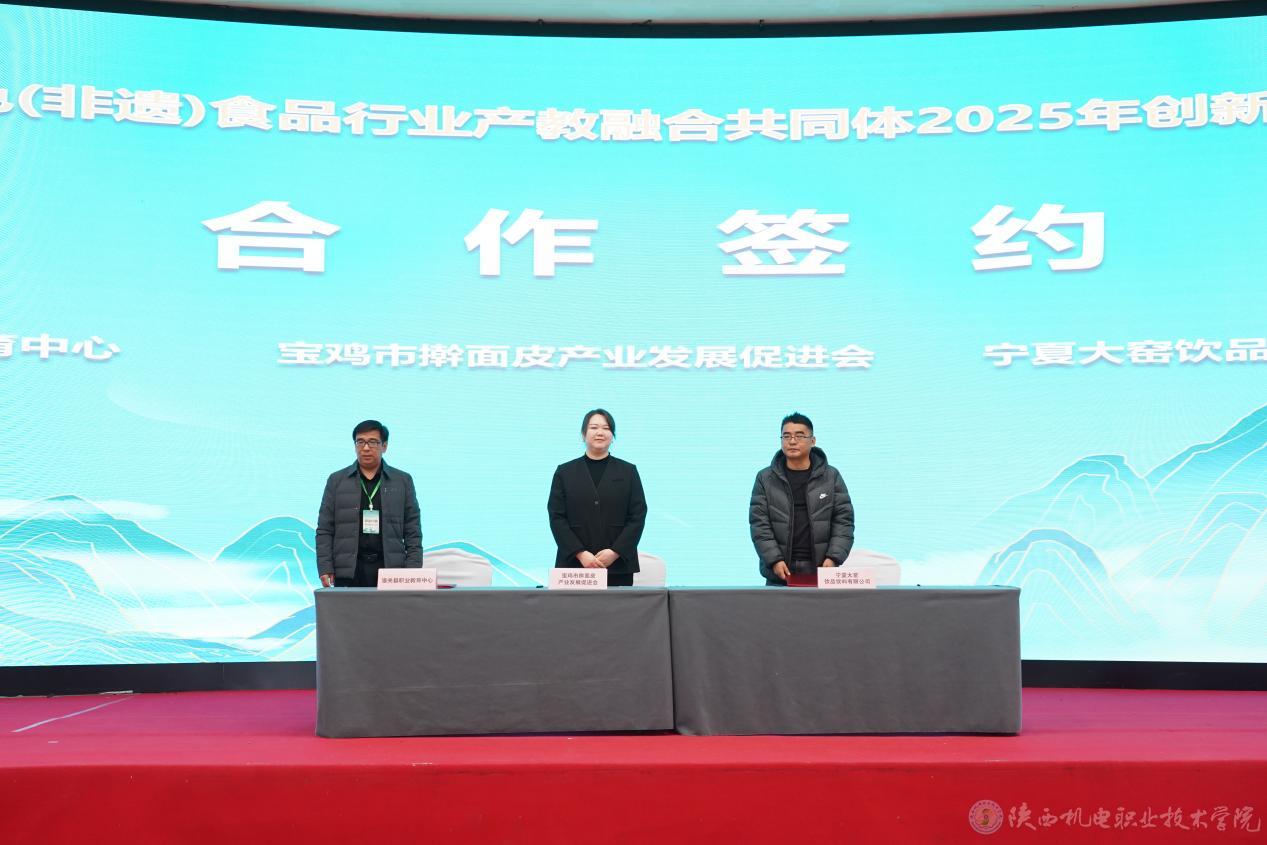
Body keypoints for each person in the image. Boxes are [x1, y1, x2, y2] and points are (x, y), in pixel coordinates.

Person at [749, 412, 854, 586]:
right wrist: (774, 560)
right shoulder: (765, 478)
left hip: (821, 568)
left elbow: (844, 520)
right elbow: (759, 524)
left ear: (813, 441)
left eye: (799, 436)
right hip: (780, 570)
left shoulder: (831, 476)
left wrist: (833, 557)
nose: (792, 441)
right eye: (786, 436)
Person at [317, 420, 423, 588]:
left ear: (384, 446)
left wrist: (413, 570)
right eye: (360, 442)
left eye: (373, 442)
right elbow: (325, 529)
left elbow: (413, 530)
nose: (365, 448)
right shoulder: (337, 481)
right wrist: (325, 566)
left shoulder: (402, 481)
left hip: (391, 570)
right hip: (348, 570)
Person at [548, 409, 647, 587]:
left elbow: (637, 516)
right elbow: (557, 517)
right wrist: (580, 553)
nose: (600, 432)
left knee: (617, 606)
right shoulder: (565, 472)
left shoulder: (628, 471)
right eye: (594, 427)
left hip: (617, 566)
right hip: (574, 566)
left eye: (606, 428)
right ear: (583, 434)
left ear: (612, 436)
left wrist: (615, 552)